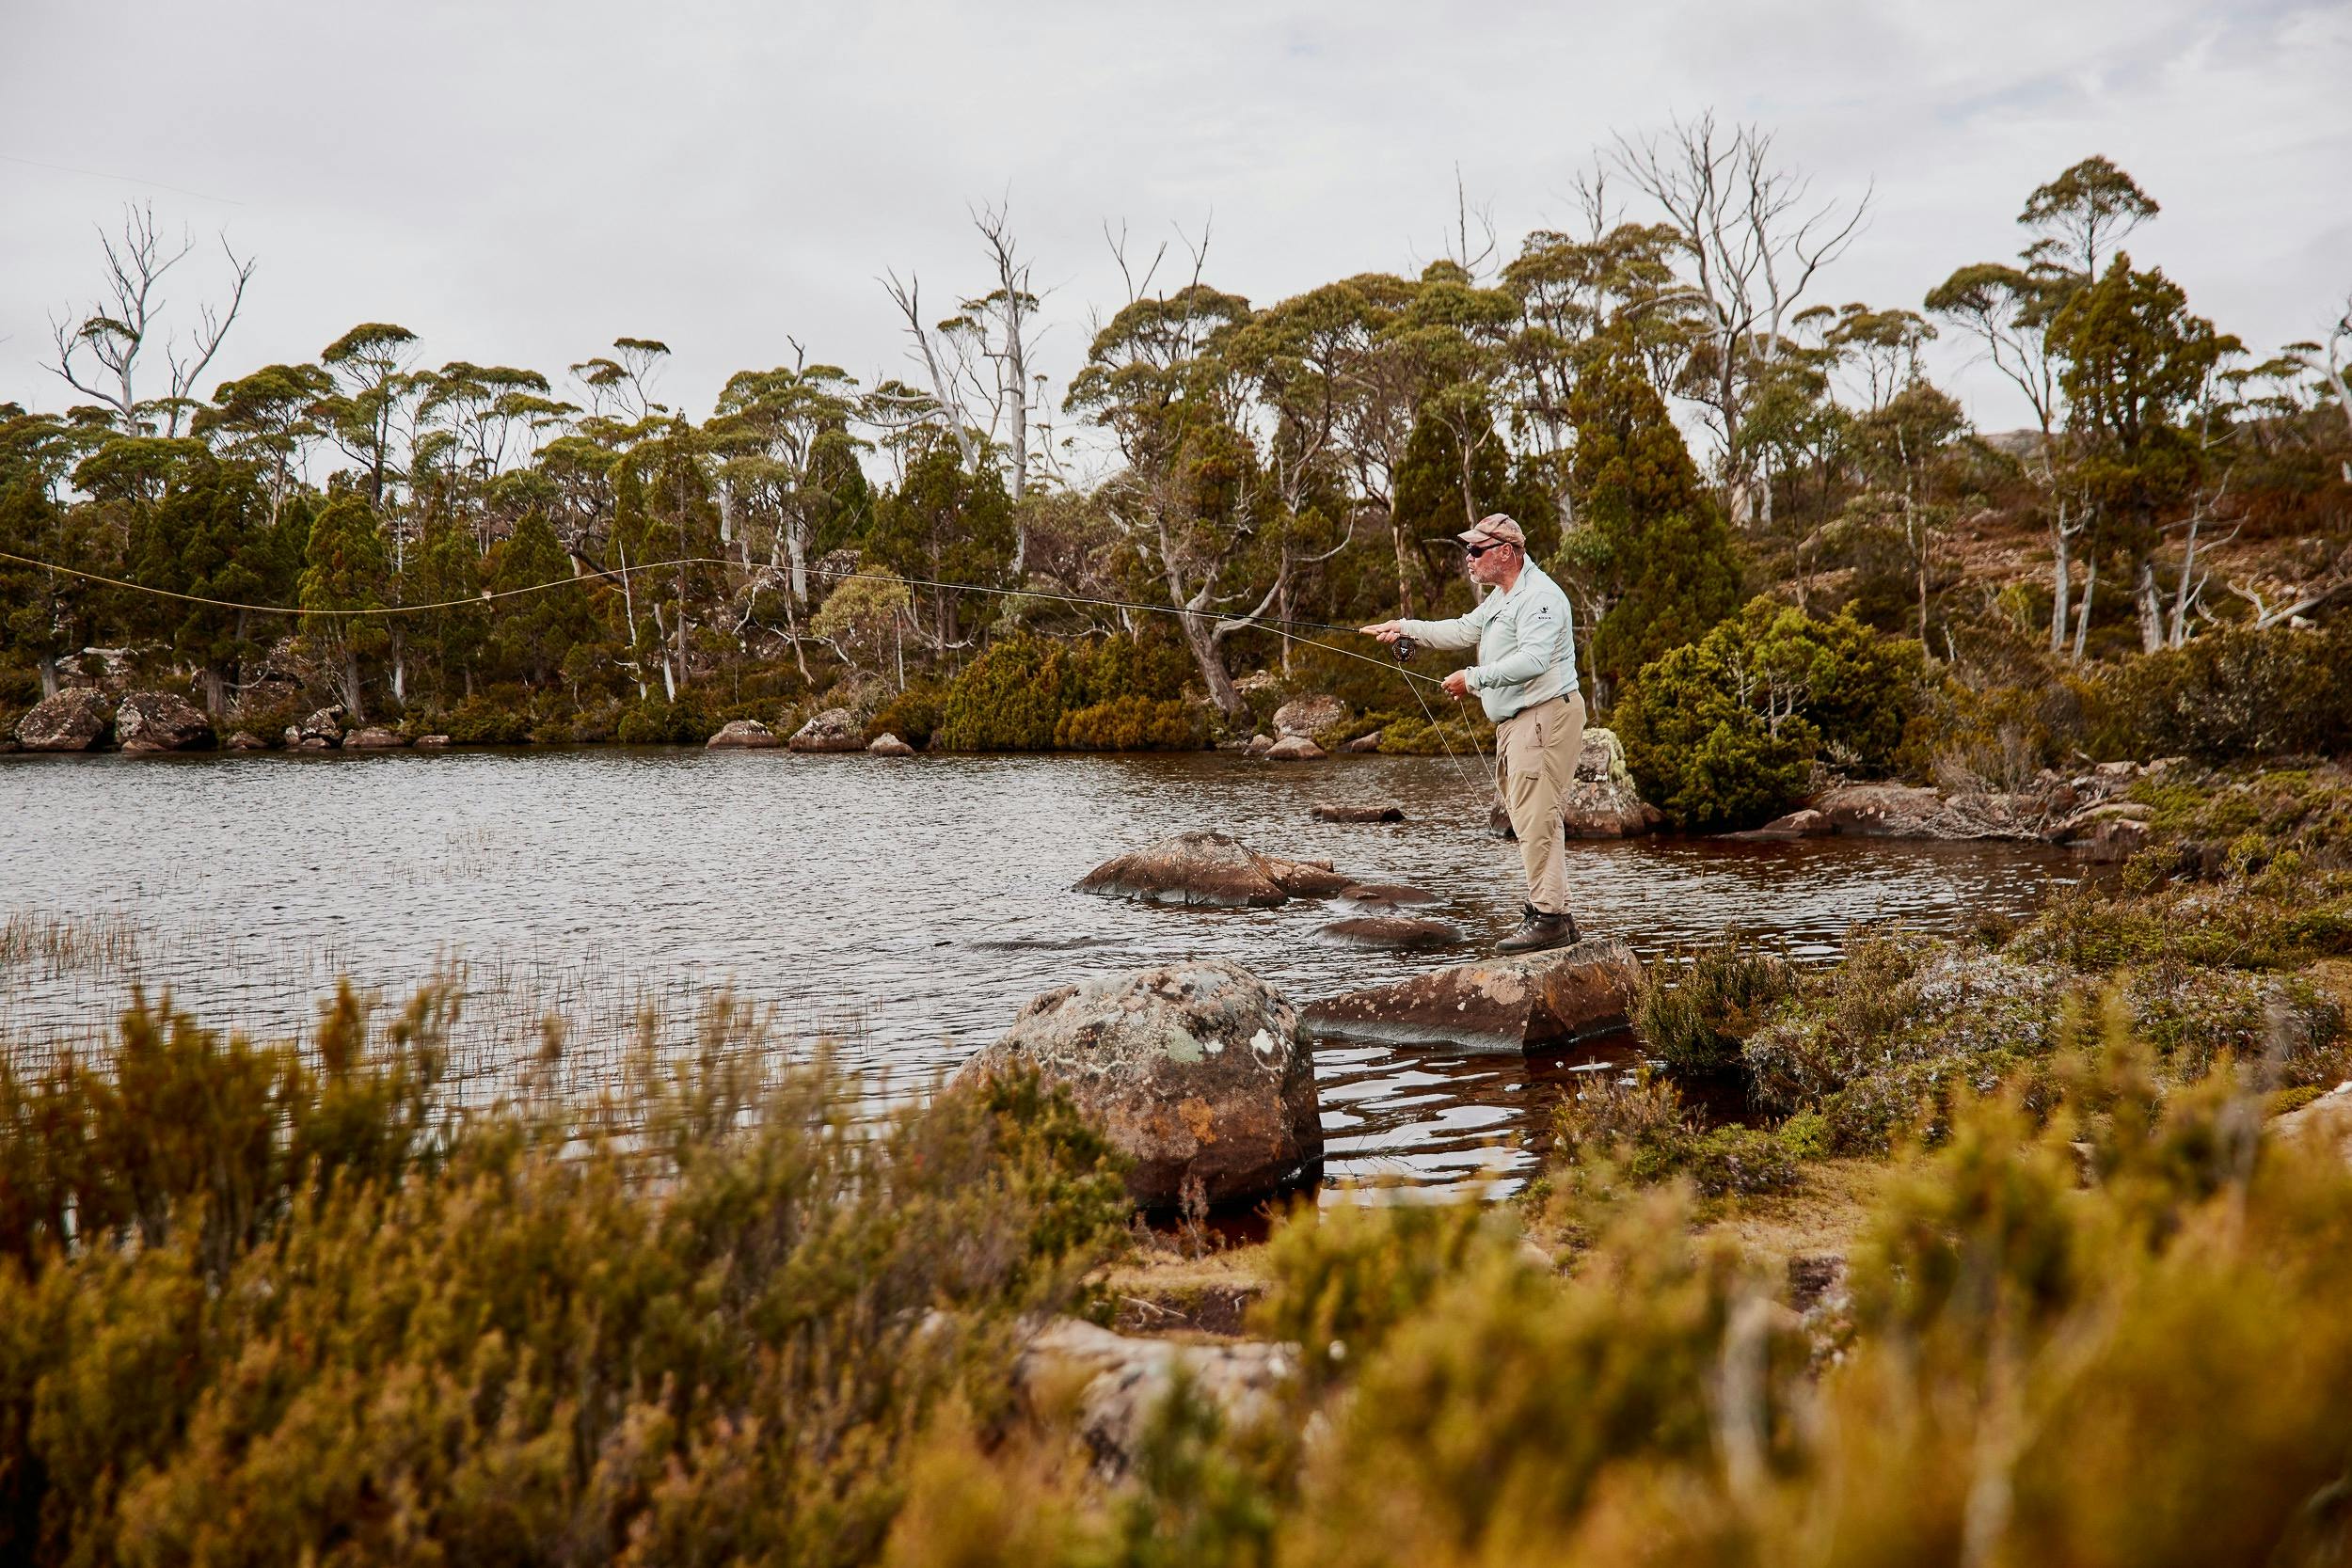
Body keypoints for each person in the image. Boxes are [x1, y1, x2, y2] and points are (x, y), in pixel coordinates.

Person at [1362, 513, 1586, 954]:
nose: (1469, 558)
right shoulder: (1502, 598)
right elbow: (1464, 629)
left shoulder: (1540, 597)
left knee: (1536, 817)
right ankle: (1555, 915)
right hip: (1520, 723)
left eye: (1476, 550)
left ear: (1506, 552)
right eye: (1469, 550)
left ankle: (1548, 919)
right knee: (1530, 817)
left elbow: (1535, 661)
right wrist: (1404, 628)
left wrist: (1474, 679)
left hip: (1545, 717)